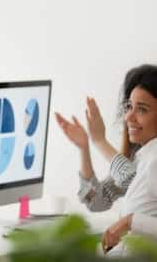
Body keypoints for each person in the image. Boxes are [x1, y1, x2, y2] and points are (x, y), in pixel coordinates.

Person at [56, 65, 157, 252]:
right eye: (128, 107)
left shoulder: (153, 159)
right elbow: (96, 201)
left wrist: (100, 141)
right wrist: (84, 148)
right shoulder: (142, 156)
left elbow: (130, 178)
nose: (129, 116)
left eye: (142, 110)